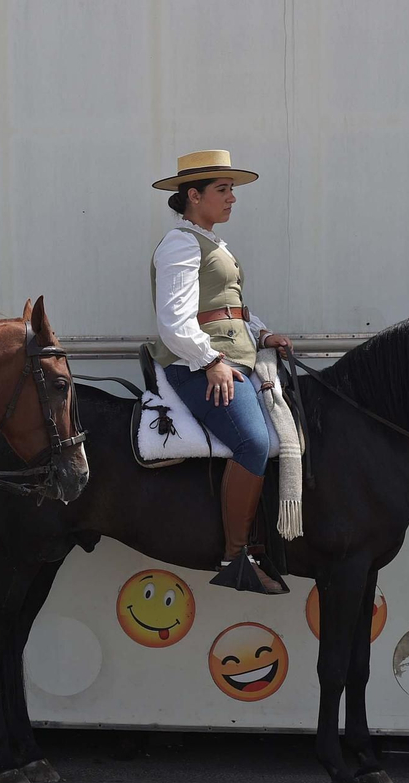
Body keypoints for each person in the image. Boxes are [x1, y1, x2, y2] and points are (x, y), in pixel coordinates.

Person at [150, 149, 294, 595]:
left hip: (235, 357)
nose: (232, 198)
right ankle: (236, 558)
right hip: (200, 365)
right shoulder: (180, 244)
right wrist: (210, 361)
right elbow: (173, 321)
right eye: (223, 189)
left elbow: (226, 307)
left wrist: (263, 332)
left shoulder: (212, 242)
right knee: (254, 442)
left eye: (232, 190)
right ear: (194, 195)